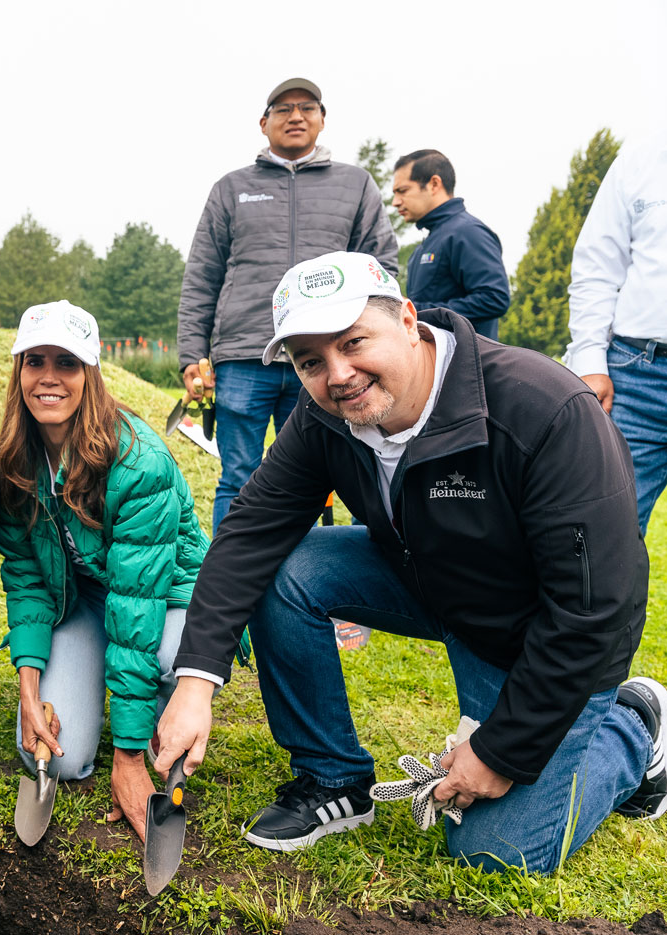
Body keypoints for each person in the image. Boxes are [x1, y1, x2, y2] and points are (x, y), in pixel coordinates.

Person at [154, 251, 665, 871]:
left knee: (498, 853)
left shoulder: (543, 410)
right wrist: (195, 680)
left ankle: (636, 727)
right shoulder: (323, 418)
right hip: (437, 587)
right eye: (310, 361)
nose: (337, 374)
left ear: (409, 319)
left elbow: (597, 608)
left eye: (353, 341)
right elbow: (249, 533)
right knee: (284, 570)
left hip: (542, 638)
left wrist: (501, 751)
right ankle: (334, 780)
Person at [0, 300, 212, 840]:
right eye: (34, 361)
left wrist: (130, 759)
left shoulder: (139, 462)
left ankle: (167, 711)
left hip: (168, 598)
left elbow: (137, 613)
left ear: (91, 373)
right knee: (55, 759)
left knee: (161, 656)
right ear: (18, 370)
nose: (48, 378)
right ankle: (122, 705)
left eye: (66, 364)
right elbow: (24, 576)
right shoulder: (11, 461)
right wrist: (29, 688)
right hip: (84, 600)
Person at [177, 76, 398, 535]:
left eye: (307, 107)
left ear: (322, 120)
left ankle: (352, 584)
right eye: (283, 109)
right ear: (264, 123)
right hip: (242, 358)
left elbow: (381, 267)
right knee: (239, 478)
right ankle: (233, 586)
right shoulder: (231, 188)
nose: (296, 116)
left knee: (350, 471)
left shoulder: (356, 185)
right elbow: (202, 274)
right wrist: (190, 356)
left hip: (331, 359)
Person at [565, 136, 667, 535]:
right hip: (634, 381)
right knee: (603, 535)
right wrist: (589, 359)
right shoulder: (639, 162)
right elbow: (597, 268)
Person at [392, 149, 511, 340]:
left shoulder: (468, 232)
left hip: (467, 364)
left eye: (402, 191)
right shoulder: (427, 243)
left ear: (434, 184)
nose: (395, 202)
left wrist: (417, 312)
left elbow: (494, 298)